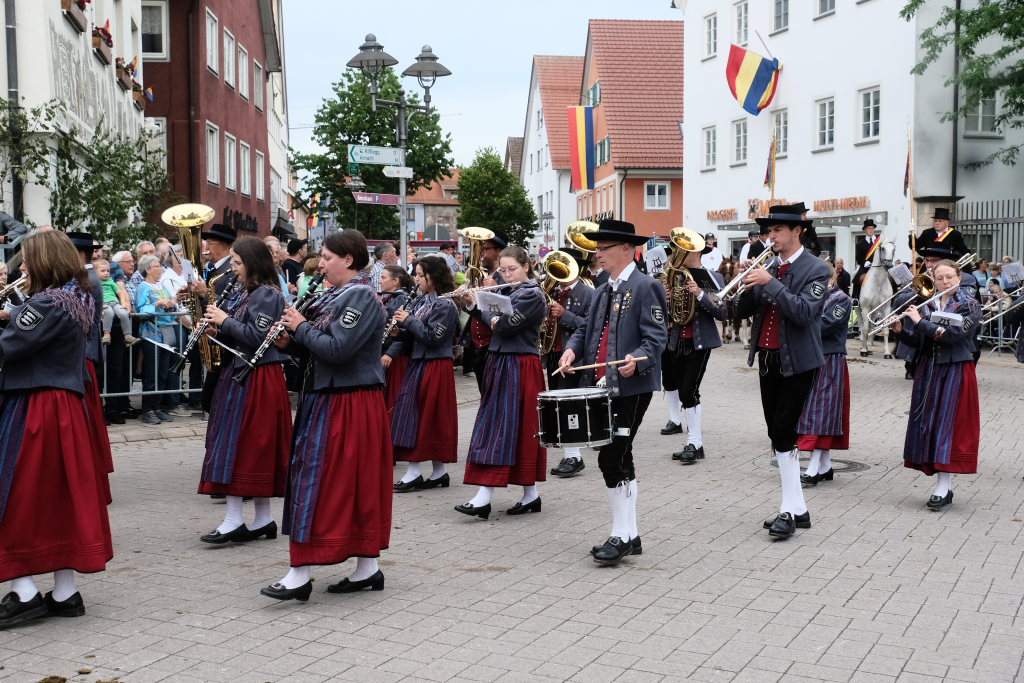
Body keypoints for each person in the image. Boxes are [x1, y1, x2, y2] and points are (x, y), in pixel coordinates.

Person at [262, 229, 392, 600]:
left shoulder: (362, 297)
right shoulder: (332, 295)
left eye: (327, 257)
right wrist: (290, 340)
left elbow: (337, 349)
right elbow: (315, 349)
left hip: (348, 400)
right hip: (327, 398)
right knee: (335, 483)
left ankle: (301, 573)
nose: (320, 263)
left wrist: (300, 327)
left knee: (321, 483)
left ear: (348, 259)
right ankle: (366, 569)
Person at [0, 230, 113, 629]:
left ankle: (24, 593)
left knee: (17, 496)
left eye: (28, 260)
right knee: (58, 499)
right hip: (63, 405)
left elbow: (8, 347)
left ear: (45, 261)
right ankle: (64, 593)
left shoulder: (48, 302)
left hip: (36, 406)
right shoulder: (77, 296)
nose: (24, 267)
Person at [557, 219, 667, 565]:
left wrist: (638, 359)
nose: (598, 255)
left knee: (611, 457)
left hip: (630, 386)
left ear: (625, 249)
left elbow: (657, 337)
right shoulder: (603, 289)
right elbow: (586, 330)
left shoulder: (647, 286)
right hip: (600, 386)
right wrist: (571, 350)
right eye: (597, 249)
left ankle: (620, 534)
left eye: (603, 249)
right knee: (621, 456)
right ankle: (630, 534)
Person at [736, 204, 829, 540]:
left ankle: (788, 511)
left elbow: (804, 312)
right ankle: (798, 509)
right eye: (768, 231)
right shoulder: (770, 265)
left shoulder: (816, 268)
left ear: (796, 231)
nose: (770, 236)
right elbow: (740, 311)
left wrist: (770, 283)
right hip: (768, 359)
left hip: (799, 361)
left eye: (777, 231)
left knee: (783, 431)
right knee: (776, 434)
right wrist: (748, 284)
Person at [197, 236, 293, 544]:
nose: (234, 268)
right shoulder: (245, 292)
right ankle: (263, 519)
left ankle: (235, 519)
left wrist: (224, 321)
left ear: (252, 263)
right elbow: (240, 333)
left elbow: (257, 336)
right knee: (241, 444)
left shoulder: (266, 294)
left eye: (238, 263)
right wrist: (215, 329)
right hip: (240, 372)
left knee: (242, 445)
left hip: (256, 376)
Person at [456, 246, 548, 518]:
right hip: (501, 361)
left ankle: (484, 497)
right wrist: (472, 304)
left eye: (513, 269)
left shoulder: (532, 295)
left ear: (527, 267)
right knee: (503, 425)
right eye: (503, 270)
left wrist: (481, 306)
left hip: (519, 364)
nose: (507, 275)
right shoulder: (507, 291)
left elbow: (505, 326)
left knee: (504, 426)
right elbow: (492, 322)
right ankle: (530, 495)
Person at [891, 259, 980, 510]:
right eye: (939, 278)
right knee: (928, 423)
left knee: (946, 425)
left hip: (954, 368)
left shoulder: (969, 304)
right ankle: (943, 485)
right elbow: (922, 342)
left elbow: (951, 336)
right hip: (928, 368)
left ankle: (943, 487)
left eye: (950, 277)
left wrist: (920, 322)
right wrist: (901, 331)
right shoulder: (928, 303)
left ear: (959, 278)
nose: (945, 282)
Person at [389, 257, 459, 491]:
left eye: (421, 275)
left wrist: (409, 321)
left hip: (436, 364)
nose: (416, 279)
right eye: (416, 274)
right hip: (420, 362)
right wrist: (398, 333)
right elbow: (414, 336)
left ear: (434, 276)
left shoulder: (445, 304)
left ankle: (416, 472)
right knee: (416, 414)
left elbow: (433, 337)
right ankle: (438, 473)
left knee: (428, 417)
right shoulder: (420, 301)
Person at [664, 230, 728, 465]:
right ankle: (695, 444)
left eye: (685, 250)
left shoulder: (712, 277)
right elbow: (666, 314)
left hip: (699, 343)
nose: (680, 254)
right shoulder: (674, 277)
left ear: (698, 251)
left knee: (688, 391)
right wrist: (665, 299)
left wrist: (701, 294)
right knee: (682, 389)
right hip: (676, 340)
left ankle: (694, 443)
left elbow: (722, 313)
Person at [797, 262, 852, 486]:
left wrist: (798, 323)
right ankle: (825, 466)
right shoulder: (812, 295)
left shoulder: (842, 299)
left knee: (820, 411)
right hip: (811, 356)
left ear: (832, 277)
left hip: (830, 358)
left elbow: (825, 324)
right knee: (813, 409)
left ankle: (813, 468)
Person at [544, 248, 596, 478]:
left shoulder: (588, 293)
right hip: (552, 354)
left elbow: (590, 327)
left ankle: (574, 456)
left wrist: (564, 314)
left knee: (568, 407)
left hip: (573, 357)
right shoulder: (551, 290)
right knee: (556, 404)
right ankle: (569, 452)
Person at [134, 255, 180, 425]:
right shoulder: (143, 287)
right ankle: (148, 410)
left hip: (166, 333)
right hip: (151, 335)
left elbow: (171, 310)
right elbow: (141, 310)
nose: (161, 269)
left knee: (162, 373)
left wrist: (173, 303)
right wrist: (158, 304)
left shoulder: (162, 286)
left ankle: (157, 407)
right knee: (151, 373)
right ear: (148, 269)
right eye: (157, 266)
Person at [463, 231, 509, 390]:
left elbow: (507, 309)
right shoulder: (479, 276)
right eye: (481, 249)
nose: (482, 253)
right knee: (484, 394)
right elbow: (470, 308)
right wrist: (466, 297)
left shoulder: (505, 278)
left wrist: (495, 291)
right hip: (477, 346)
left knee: (495, 394)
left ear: (499, 252)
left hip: (494, 345)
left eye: (486, 249)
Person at [380, 265, 415, 415]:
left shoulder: (402, 299)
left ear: (396, 281)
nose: (380, 281)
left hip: (395, 357)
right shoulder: (388, 298)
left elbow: (402, 330)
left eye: (383, 277)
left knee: (393, 397)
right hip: (385, 352)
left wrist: (390, 353)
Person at [94, 259, 138, 346]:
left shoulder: (111, 282)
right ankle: (106, 335)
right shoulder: (95, 283)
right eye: (103, 271)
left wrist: (124, 303)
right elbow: (92, 295)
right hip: (104, 304)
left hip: (115, 302)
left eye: (108, 271)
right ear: (95, 272)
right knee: (109, 313)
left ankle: (128, 336)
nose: (106, 273)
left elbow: (120, 292)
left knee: (124, 313)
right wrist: (98, 305)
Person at [852, 219, 881, 301]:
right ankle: (855, 299)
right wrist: (865, 262)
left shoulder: (880, 241)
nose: (871, 230)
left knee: (891, 278)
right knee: (857, 279)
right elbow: (858, 258)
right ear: (865, 230)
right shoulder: (860, 244)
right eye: (869, 228)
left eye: (872, 228)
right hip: (866, 267)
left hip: (879, 266)